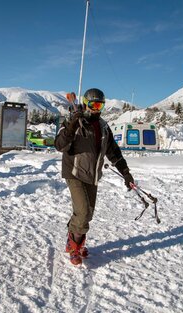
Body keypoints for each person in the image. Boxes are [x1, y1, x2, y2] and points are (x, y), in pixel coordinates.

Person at [55, 88, 134, 266]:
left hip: (92, 174)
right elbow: (59, 145)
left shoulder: (104, 127)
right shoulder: (73, 120)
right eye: (93, 105)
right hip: (74, 172)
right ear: (85, 103)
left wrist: (126, 173)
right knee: (82, 212)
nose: (97, 109)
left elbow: (114, 152)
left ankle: (78, 241)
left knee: (87, 214)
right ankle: (73, 247)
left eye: (100, 105)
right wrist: (72, 123)